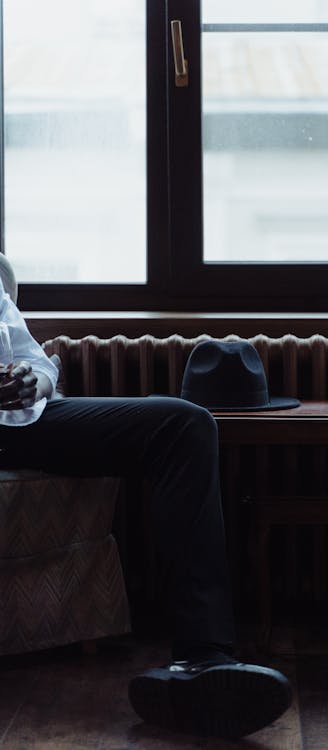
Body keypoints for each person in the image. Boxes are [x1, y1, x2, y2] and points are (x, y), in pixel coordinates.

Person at [0, 277, 291, 739]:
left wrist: (35, 381)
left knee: (184, 422)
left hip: (22, 420)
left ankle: (201, 658)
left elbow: (34, 357)